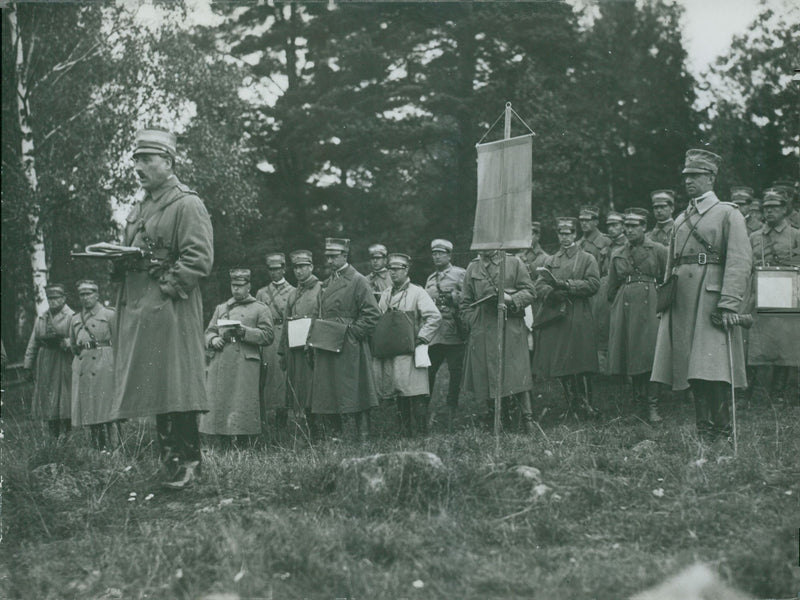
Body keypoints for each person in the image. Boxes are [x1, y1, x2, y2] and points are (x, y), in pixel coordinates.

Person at [110, 127, 214, 490]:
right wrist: (117, 261)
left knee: (178, 384)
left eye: (146, 159)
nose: (138, 166)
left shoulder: (187, 203)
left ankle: (190, 464)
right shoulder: (140, 207)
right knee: (158, 385)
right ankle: (170, 463)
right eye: (136, 159)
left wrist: (167, 288)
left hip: (173, 310)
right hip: (142, 310)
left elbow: (199, 259)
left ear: (168, 163)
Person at [651, 149, 752, 443]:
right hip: (683, 301)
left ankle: (722, 432)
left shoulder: (728, 214)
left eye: (695, 175)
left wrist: (729, 301)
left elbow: (740, 260)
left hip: (710, 298)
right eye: (686, 176)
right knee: (691, 369)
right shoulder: (683, 218)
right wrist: (666, 302)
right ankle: (704, 431)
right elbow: (672, 262)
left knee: (714, 367)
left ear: (711, 177)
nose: (688, 181)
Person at [310, 238, 381, 441]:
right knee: (329, 392)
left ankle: (364, 438)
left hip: (350, 346)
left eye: (334, 256)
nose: (330, 260)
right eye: (328, 256)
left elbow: (372, 314)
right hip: (326, 344)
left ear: (345, 256)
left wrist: (351, 334)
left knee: (358, 391)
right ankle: (335, 437)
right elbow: (317, 314)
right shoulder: (326, 283)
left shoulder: (358, 280)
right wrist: (312, 340)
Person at [460, 249, 535, 432]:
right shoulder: (473, 267)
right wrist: (473, 321)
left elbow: (530, 292)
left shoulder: (514, 263)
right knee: (488, 374)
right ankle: (496, 420)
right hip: (483, 329)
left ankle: (527, 420)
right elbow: (465, 303)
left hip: (510, 327)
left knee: (517, 374)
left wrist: (510, 299)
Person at [533, 218, 601, 418]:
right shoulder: (551, 260)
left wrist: (568, 286)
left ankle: (587, 406)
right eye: (561, 233)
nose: (565, 237)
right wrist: (550, 293)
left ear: (575, 234)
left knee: (581, 360)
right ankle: (572, 405)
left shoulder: (586, 258)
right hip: (558, 317)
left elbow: (593, 284)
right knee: (562, 362)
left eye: (569, 233)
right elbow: (538, 285)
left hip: (578, 314)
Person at [607, 210, 668, 422]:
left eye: (635, 226)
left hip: (651, 304)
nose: (630, 230)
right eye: (627, 226)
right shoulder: (617, 252)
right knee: (631, 354)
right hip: (625, 306)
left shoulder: (658, 250)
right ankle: (637, 404)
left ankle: (652, 406)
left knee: (650, 354)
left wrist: (660, 302)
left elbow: (667, 278)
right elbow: (611, 286)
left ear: (644, 227)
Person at [200, 269, 273, 445]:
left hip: (245, 363)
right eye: (234, 286)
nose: (236, 290)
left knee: (243, 402)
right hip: (222, 360)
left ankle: (244, 442)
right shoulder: (221, 308)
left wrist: (245, 332)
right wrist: (213, 339)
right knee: (221, 401)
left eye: (240, 286)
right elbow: (208, 331)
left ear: (249, 287)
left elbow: (268, 335)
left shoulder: (260, 309)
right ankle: (221, 442)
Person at [373, 253, 441, 436]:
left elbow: (434, 316)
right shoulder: (386, 294)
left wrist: (422, 337)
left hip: (411, 352)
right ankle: (404, 433)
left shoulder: (417, 292)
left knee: (416, 393)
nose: (393, 273)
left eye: (397, 269)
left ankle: (421, 433)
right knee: (399, 392)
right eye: (390, 269)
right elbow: (379, 318)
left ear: (406, 270)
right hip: (391, 351)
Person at [747, 188, 800, 404]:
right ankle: (756, 391)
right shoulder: (754, 236)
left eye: (774, 207)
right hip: (760, 290)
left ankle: (779, 391)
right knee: (759, 341)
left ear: (785, 209)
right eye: (766, 208)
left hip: (787, 290)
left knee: (785, 342)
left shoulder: (796, 235)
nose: (769, 212)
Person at [69, 280, 119, 449]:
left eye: (89, 293)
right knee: (90, 407)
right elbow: (74, 346)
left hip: (105, 362)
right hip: (84, 364)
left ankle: (116, 447)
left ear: (97, 295)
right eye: (82, 294)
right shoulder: (75, 318)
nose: (85, 298)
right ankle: (97, 447)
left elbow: (119, 340)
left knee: (108, 407)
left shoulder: (109, 314)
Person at [278, 250, 322, 438]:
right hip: (295, 349)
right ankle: (306, 430)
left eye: (303, 266)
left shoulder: (321, 288)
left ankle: (320, 431)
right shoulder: (293, 294)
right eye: (296, 267)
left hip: (313, 349)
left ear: (311, 267)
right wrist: (282, 351)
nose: (299, 271)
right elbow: (286, 322)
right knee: (299, 392)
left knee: (314, 390)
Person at [424, 239, 467, 429]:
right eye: (434, 253)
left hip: (455, 332)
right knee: (429, 372)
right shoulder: (430, 279)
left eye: (441, 253)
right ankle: (425, 413)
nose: (437, 256)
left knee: (455, 374)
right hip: (435, 334)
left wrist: (453, 297)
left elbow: (468, 297)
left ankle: (453, 413)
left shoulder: (460, 274)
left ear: (449, 255)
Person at [24, 283, 75, 437]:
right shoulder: (42, 317)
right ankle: (53, 434)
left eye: (56, 298)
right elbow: (33, 343)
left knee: (64, 397)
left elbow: (78, 340)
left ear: (64, 298)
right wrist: (27, 366)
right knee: (48, 397)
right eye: (50, 298)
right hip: (45, 361)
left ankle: (65, 434)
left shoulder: (71, 317)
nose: (53, 301)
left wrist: (67, 343)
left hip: (63, 361)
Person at [255, 252, 295, 440]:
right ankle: (264, 418)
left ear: (284, 269)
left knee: (283, 376)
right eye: (271, 269)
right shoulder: (262, 293)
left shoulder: (293, 291)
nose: (274, 272)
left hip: (284, 335)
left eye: (277, 268)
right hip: (268, 336)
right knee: (267, 375)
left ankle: (282, 417)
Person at [577, 205, 611, 273]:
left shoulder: (605, 242)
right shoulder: (578, 244)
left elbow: (608, 272)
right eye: (582, 220)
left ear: (596, 222)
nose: (584, 223)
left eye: (587, 220)